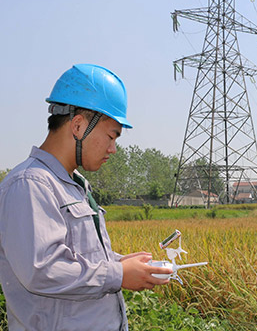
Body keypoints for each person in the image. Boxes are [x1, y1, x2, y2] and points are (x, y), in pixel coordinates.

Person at [0, 64, 172, 330]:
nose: (113, 149)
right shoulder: (30, 184)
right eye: (111, 136)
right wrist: (118, 274)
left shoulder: (76, 185)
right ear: (78, 126)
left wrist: (121, 263)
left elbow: (78, 257)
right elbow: (42, 271)